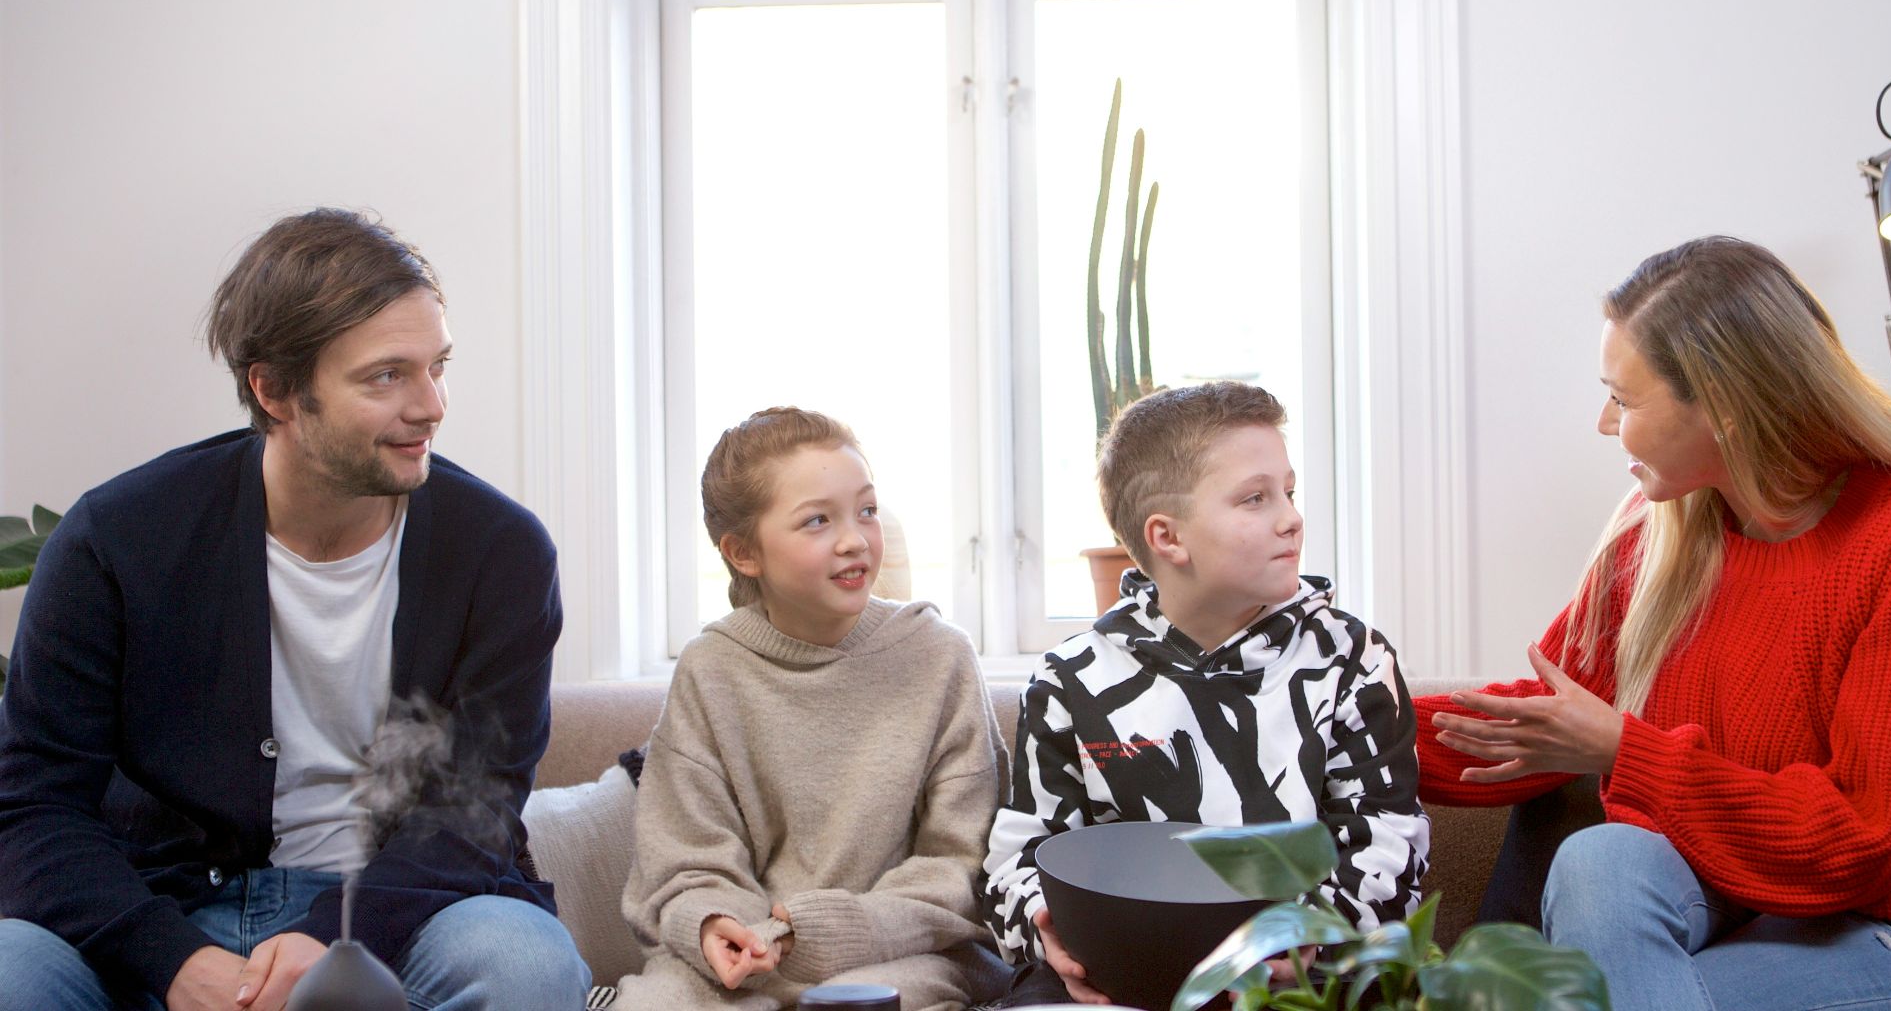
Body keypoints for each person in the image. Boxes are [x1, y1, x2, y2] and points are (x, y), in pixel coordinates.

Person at [0, 209, 591, 1010]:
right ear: (274, 389)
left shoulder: (502, 553)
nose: (432, 405)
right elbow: (34, 806)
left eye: (437, 366)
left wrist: (333, 939)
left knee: (525, 966)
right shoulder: (115, 541)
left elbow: (475, 810)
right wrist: (173, 961)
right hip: (161, 907)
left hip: (401, 914)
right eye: (387, 376)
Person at [1417, 236, 1891, 1011]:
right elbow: (1541, 723)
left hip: (1879, 928)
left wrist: (1627, 752)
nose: (1603, 422)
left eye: (1623, 399)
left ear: (1723, 405)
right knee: (1600, 858)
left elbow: (1860, 841)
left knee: (1604, 996)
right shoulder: (1660, 533)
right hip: (1722, 901)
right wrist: (1343, 721)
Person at [982, 381, 1430, 1006]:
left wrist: (1305, 938)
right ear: (1168, 538)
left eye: (1289, 492)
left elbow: (1387, 841)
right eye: (1255, 498)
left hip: (1304, 978)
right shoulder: (1070, 679)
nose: (1291, 517)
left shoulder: (1353, 658)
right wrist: (1044, 926)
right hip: (1119, 977)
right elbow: (1021, 855)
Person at [613, 407, 1010, 1011]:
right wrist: (714, 924)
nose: (855, 539)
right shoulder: (709, 670)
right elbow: (684, 861)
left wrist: (830, 930)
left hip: (909, 950)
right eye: (818, 520)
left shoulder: (940, 656)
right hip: (751, 956)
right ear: (744, 552)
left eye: (866, 510)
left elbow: (964, 865)